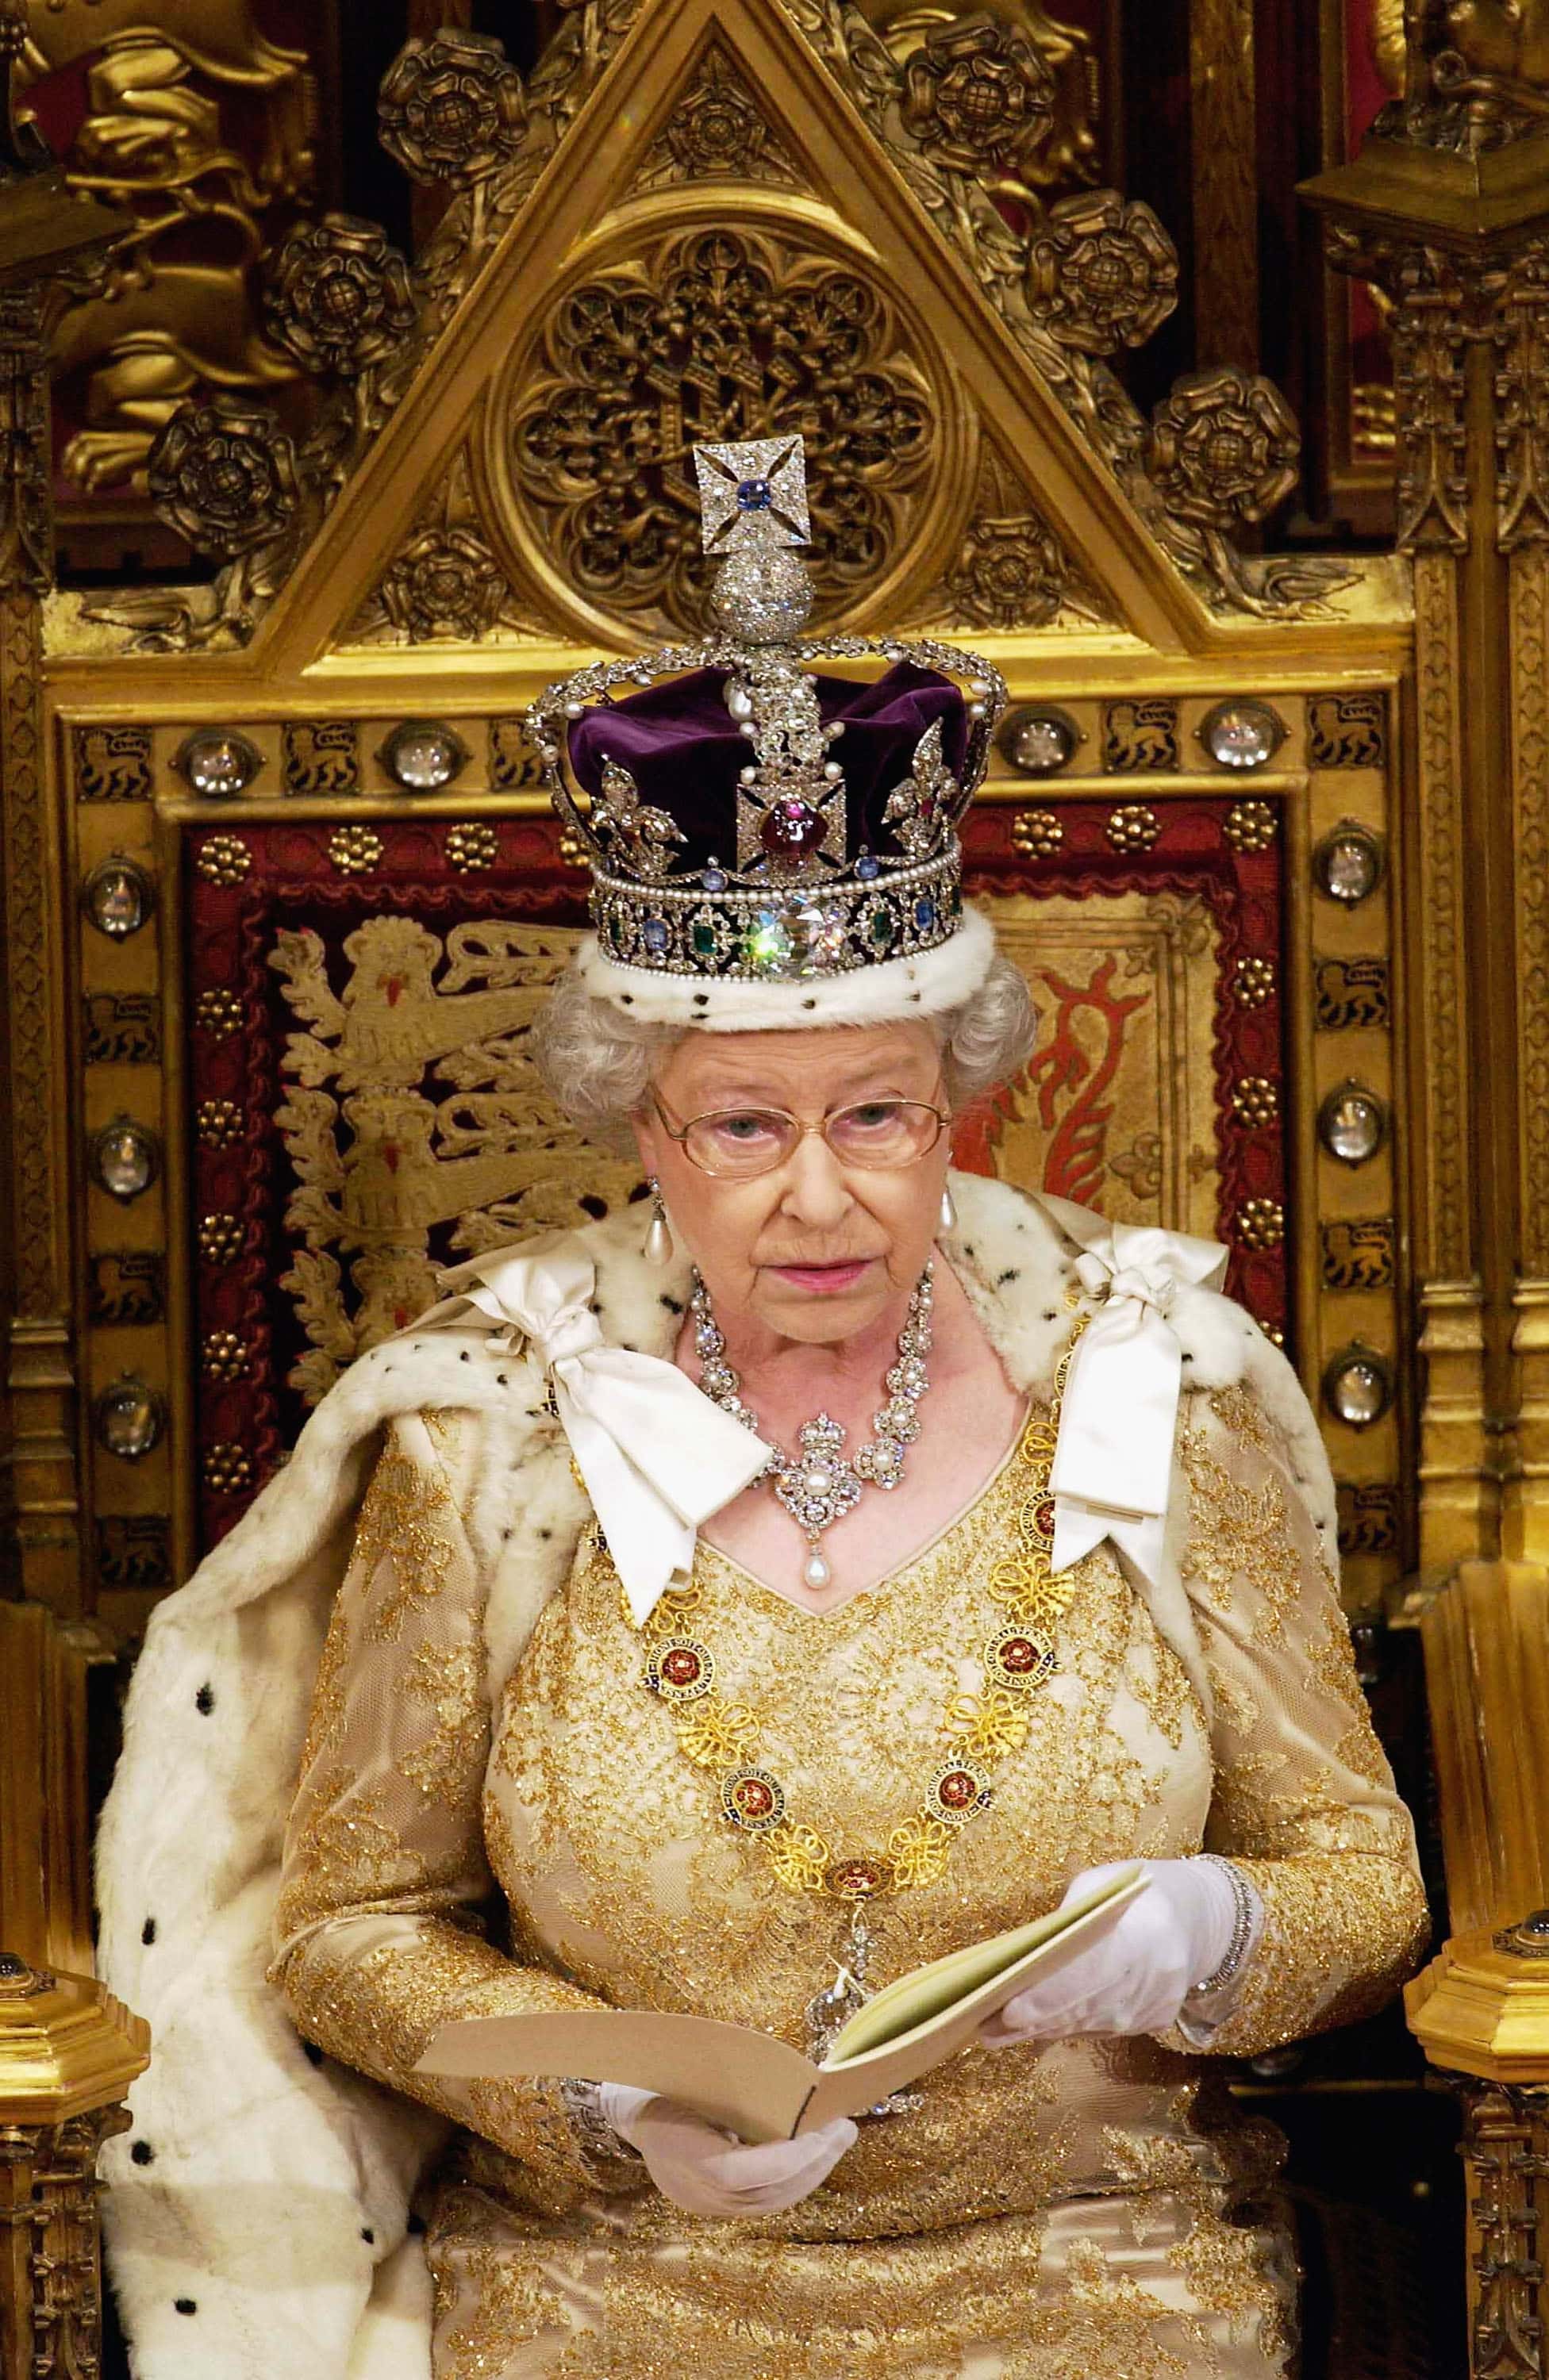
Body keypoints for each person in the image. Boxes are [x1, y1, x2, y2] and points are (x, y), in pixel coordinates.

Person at [98, 437, 1427, 2380]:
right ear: (644, 1129)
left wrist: (1205, 1937)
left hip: (1092, 2268)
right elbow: (348, 1929)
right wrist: (601, 2113)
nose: (820, 1195)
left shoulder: (1160, 1388)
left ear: (954, 1100)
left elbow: (1363, 1886)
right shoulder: (486, 1442)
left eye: (876, 1114)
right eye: (743, 1125)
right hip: (600, 2281)